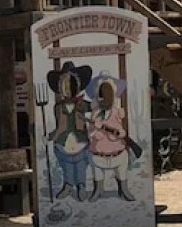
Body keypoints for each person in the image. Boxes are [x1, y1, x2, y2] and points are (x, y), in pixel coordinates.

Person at [88, 77, 143, 200]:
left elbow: (120, 129)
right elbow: (91, 133)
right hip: (99, 152)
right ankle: (98, 189)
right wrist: (96, 131)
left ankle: (123, 189)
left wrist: (121, 133)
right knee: (97, 170)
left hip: (117, 150)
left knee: (121, 169)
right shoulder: (96, 113)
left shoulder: (117, 112)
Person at [49, 65, 91, 200]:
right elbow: (60, 126)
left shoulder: (83, 104)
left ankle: (81, 186)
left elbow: (96, 108)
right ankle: (68, 185)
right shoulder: (59, 107)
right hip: (63, 141)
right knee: (66, 166)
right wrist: (50, 137)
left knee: (81, 166)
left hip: (81, 140)